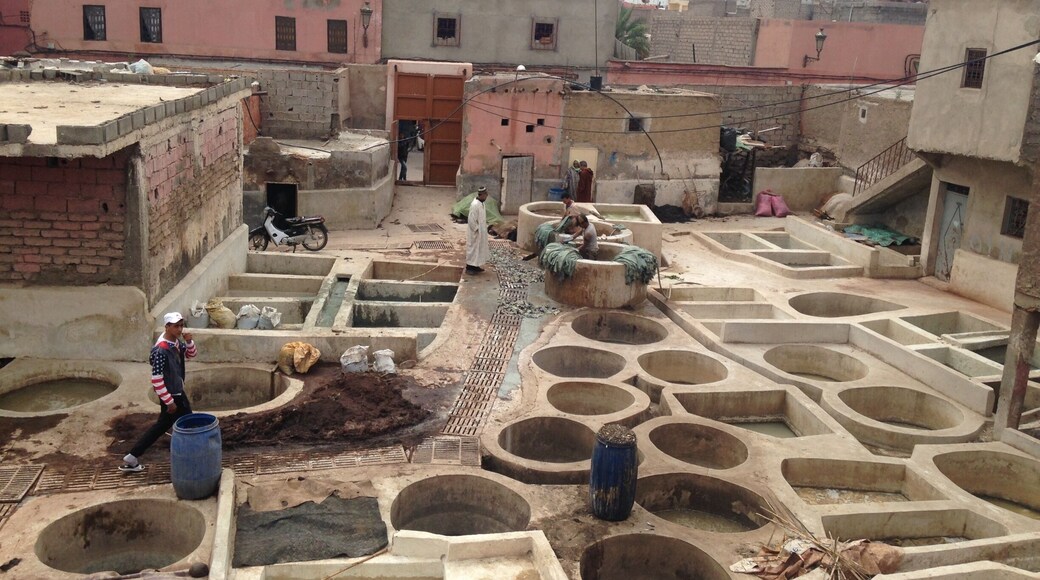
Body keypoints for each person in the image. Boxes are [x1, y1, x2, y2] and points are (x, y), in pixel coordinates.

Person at [119, 312, 198, 473]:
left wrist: (189, 341)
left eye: (181, 325)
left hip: (175, 392)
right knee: (189, 424)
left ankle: (132, 456)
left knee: (163, 426)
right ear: (167, 326)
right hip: (173, 395)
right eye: (176, 326)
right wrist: (169, 402)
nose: (179, 329)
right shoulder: (161, 350)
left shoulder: (174, 342)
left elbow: (191, 354)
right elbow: (156, 379)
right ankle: (192, 458)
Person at [466, 187, 490, 273]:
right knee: (473, 249)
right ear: (482, 195)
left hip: (481, 231)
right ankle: (469, 267)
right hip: (475, 232)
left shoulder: (482, 204)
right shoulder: (475, 205)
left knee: (479, 249)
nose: (486, 196)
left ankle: (476, 266)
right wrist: (477, 229)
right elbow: (471, 220)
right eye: (485, 195)